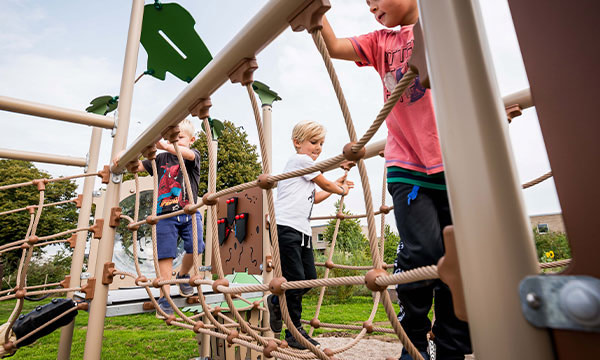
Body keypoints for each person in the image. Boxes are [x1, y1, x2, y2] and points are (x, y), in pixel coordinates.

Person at [320, 1, 472, 359]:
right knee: (424, 252)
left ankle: (450, 346)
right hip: (407, 163)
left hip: (454, 161)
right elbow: (335, 46)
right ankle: (414, 338)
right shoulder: (381, 42)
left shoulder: (443, 24)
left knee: (459, 261)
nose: (371, 4)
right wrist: (315, 11)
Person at [268, 120, 354, 349]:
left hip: (302, 231)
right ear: (297, 143)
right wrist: (341, 188)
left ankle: (276, 301)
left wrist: (335, 186)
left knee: (308, 279)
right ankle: (294, 332)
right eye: (313, 142)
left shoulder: (306, 171)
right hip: (286, 228)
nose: (318, 147)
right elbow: (324, 183)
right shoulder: (300, 161)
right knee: (295, 280)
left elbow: (316, 195)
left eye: (321, 143)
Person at [115, 119, 205, 318]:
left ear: (192, 140)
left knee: (197, 246)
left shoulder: (193, 156)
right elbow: (136, 166)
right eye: (173, 138)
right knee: (165, 254)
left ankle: (182, 275)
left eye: (180, 138)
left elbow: (188, 154)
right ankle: (165, 295)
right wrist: (123, 155)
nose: (176, 141)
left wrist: (166, 144)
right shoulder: (160, 159)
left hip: (189, 211)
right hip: (164, 215)